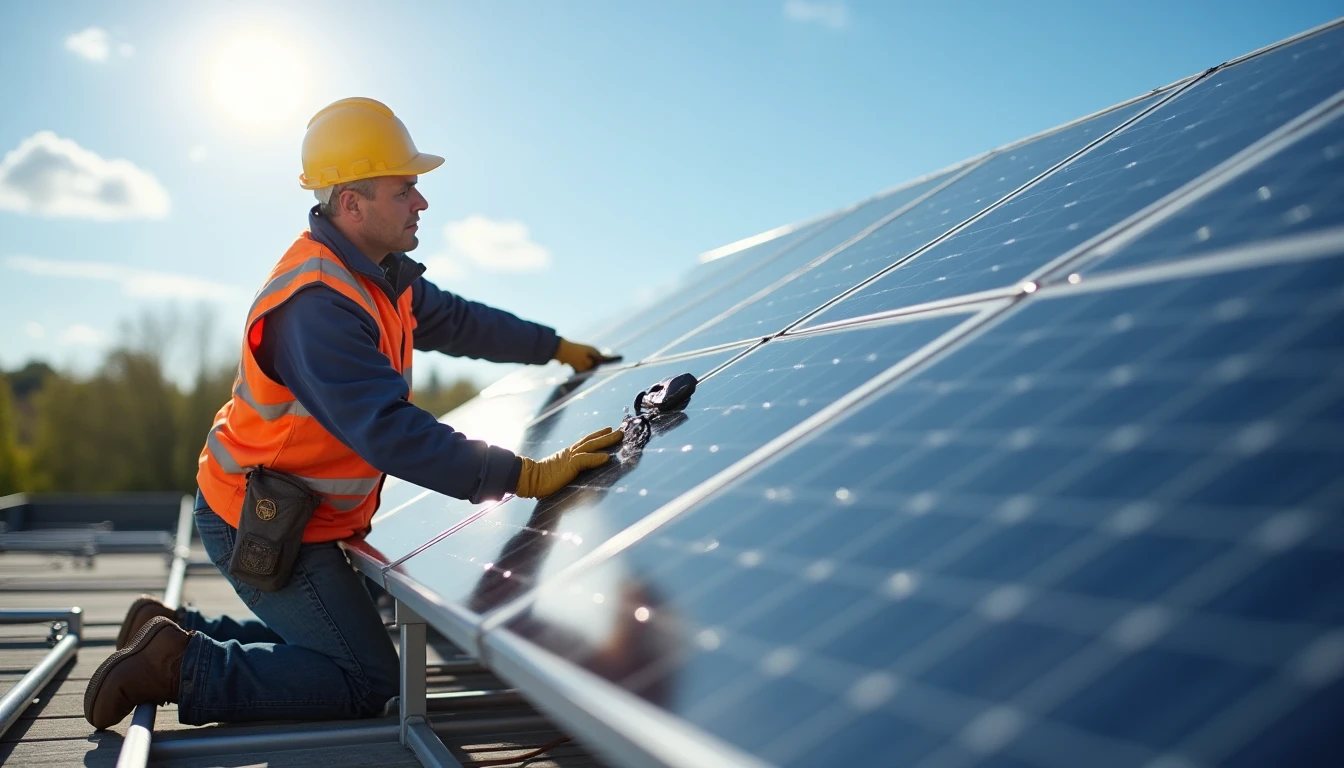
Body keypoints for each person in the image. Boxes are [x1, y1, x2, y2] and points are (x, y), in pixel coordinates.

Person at [83, 97, 623, 730]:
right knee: (369, 679)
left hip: (301, 513)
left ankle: (170, 627)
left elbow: (460, 321)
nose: (422, 202)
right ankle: (178, 666)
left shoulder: (377, 276)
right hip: (262, 520)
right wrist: (522, 476)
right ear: (352, 204)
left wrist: (554, 348)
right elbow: (388, 430)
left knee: (347, 639)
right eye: (404, 189)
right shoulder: (316, 303)